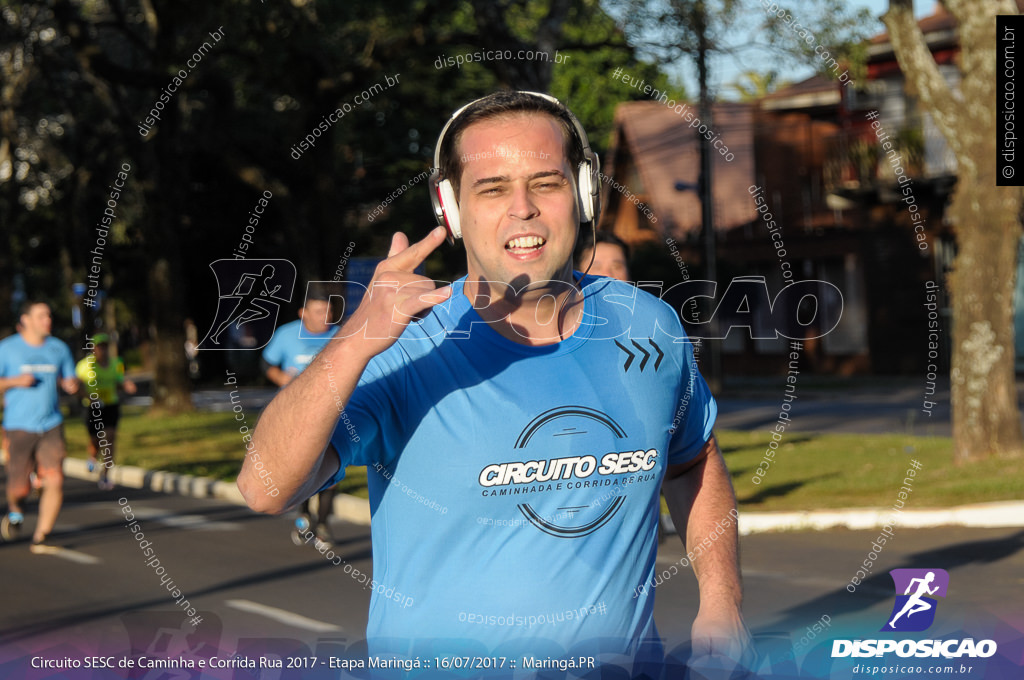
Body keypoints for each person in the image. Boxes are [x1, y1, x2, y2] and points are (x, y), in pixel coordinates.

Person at [238, 91, 752, 676]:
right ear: (451, 210)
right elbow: (266, 488)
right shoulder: (405, 342)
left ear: (583, 196)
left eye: (546, 183)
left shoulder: (647, 324)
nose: (523, 208)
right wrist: (355, 337)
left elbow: (692, 460)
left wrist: (722, 602)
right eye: (492, 188)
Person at [260, 286, 340, 546]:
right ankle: (303, 514)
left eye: (328, 311)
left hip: (331, 413)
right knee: (302, 467)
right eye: (318, 311)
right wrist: (281, 378)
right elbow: (266, 362)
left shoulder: (340, 335)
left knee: (331, 468)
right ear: (303, 313)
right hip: (295, 414)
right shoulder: (287, 334)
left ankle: (324, 524)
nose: (325, 316)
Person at [0, 301, 78, 552]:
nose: (48, 319)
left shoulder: (59, 348)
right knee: (18, 488)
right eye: (41, 315)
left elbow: (69, 378)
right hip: (19, 426)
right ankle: (15, 510)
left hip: (51, 423)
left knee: (55, 480)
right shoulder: (7, 349)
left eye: (49, 315)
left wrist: (72, 385)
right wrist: (14, 381)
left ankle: (42, 537)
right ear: (26, 320)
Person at [75, 333, 137, 490]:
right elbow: (78, 387)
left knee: (110, 437)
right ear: (93, 348)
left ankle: (105, 474)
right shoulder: (85, 365)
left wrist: (126, 386)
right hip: (93, 406)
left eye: (105, 346)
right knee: (95, 440)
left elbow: (118, 382)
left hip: (111, 405)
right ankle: (92, 456)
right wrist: (90, 397)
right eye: (99, 346)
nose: (102, 350)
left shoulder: (116, 363)